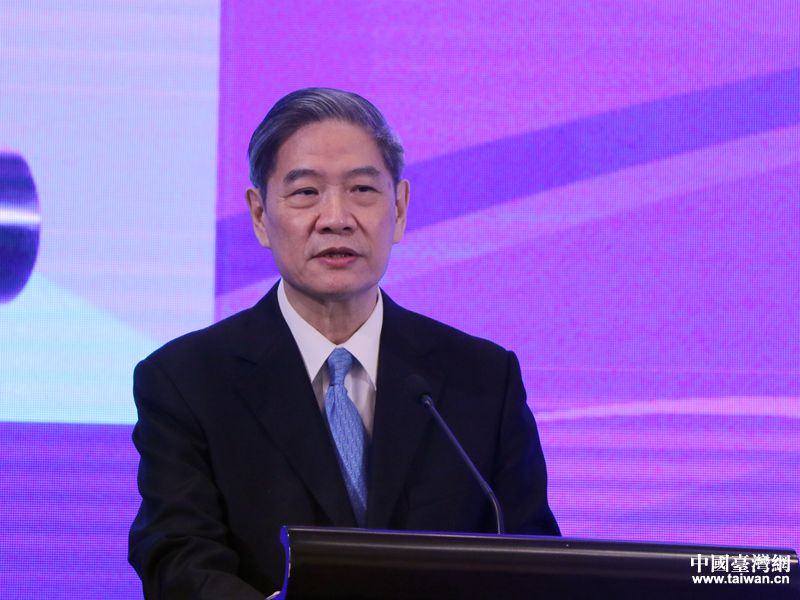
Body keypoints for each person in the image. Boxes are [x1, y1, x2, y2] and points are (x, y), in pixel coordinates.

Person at [129, 88, 559, 599]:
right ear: (260, 215)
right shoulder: (186, 381)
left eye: (362, 189)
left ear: (399, 208)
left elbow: (536, 561)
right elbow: (177, 559)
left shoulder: (483, 379)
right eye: (306, 192)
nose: (336, 217)